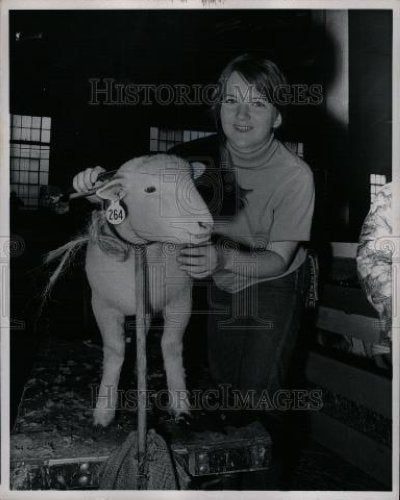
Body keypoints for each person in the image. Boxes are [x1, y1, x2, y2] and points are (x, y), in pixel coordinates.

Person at [73, 54, 315, 488]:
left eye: (258, 103)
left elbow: (278, 258)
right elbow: (137, 196)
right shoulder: (192, 157)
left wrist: (222, 259)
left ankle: (264, 485)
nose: (241, 114)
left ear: (278, 116)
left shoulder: (295, 176)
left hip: (272, 282)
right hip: (214, 274)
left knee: (260, 395)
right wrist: (97, 191)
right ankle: (222, 486)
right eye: (230, 101)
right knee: (223, 388)